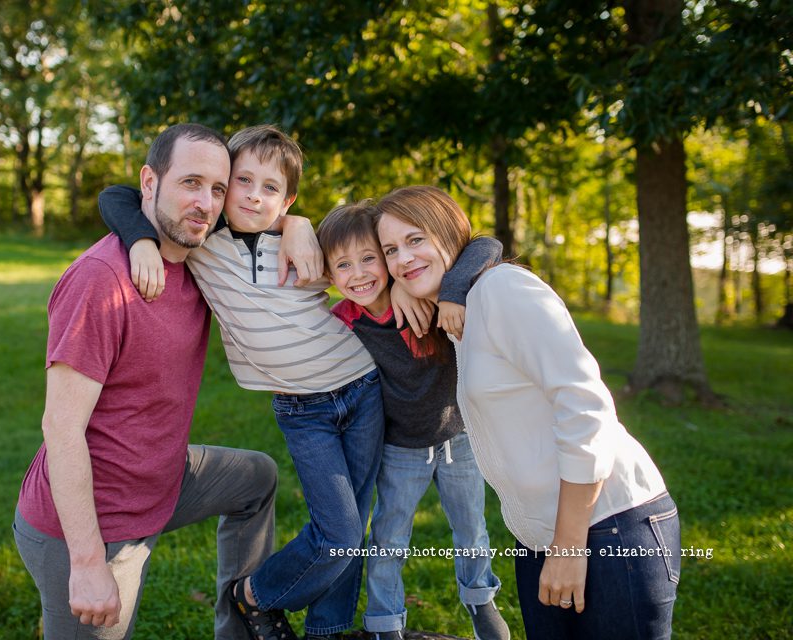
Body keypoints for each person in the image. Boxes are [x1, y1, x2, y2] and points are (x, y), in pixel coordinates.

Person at [13, 123, 318, 640]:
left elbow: (269, 211)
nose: (206, 202)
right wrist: (88, 564)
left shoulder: (200, 257)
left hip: (164, 479)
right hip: (93, 524)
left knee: (256, 479)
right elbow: (60, 429)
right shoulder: (101, 283)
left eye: (218, 189)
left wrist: (299, 224)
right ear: (148, 183)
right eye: (190, 183)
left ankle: (243, 622)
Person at [98, 125, 397, 640]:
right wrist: (142, 241)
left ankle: (328, 631)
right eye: (243, 181)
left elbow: (371, 269)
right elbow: (118, 196)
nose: (255, 196)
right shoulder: (202, 241)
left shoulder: (306, 243)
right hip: (305, 411)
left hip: (363, 387)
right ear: (224, 184)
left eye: (272, 188)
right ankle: (254, 594)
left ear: (289, 199)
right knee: (341, 532)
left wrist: (301, 226)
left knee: (356, 523)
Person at [374, 185, 680, 640]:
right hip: (540, 538)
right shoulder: (459, 310)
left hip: (606, 526)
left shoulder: (503, 290)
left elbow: (585, 406)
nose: (402, 259)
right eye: (391, 250)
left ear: (449, 231)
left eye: (415, 239)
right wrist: (404, 289)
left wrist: (569, 547)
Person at [316, 202, 510, 640]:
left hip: (457, 438)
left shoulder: (427, 296)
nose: (360, 273)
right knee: (388, 538)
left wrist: (454, 292)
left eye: (370, 258)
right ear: (330, 275)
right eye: (343, 265)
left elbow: (487, 245)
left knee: (471, 527)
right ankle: (385, 622)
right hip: (400, 447)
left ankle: (480, 599)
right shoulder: (342, 322)